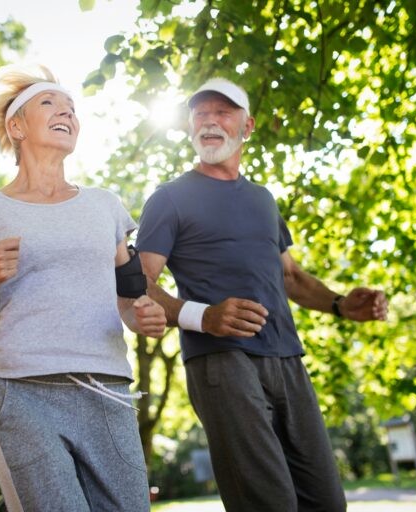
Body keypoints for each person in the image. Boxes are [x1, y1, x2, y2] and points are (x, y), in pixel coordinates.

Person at [0, 64, 166, 512]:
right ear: (16, 126)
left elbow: (128, 298)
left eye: (72, 108)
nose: (66, 112)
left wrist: (141, 315)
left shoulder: (106, 206)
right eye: (50, 103)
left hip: (106, 388)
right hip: (22, 391)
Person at [136, 77, 389, 512]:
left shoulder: (263, 199)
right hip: (221, 361)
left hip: (287, 357)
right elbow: (138, 280)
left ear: (247, 126)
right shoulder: (170, 198)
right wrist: (202, 316)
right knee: (268, 503)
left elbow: (290, 276)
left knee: (327, 502)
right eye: (200, 114)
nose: (210, 121)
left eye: (223, 112)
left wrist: (339, 304)